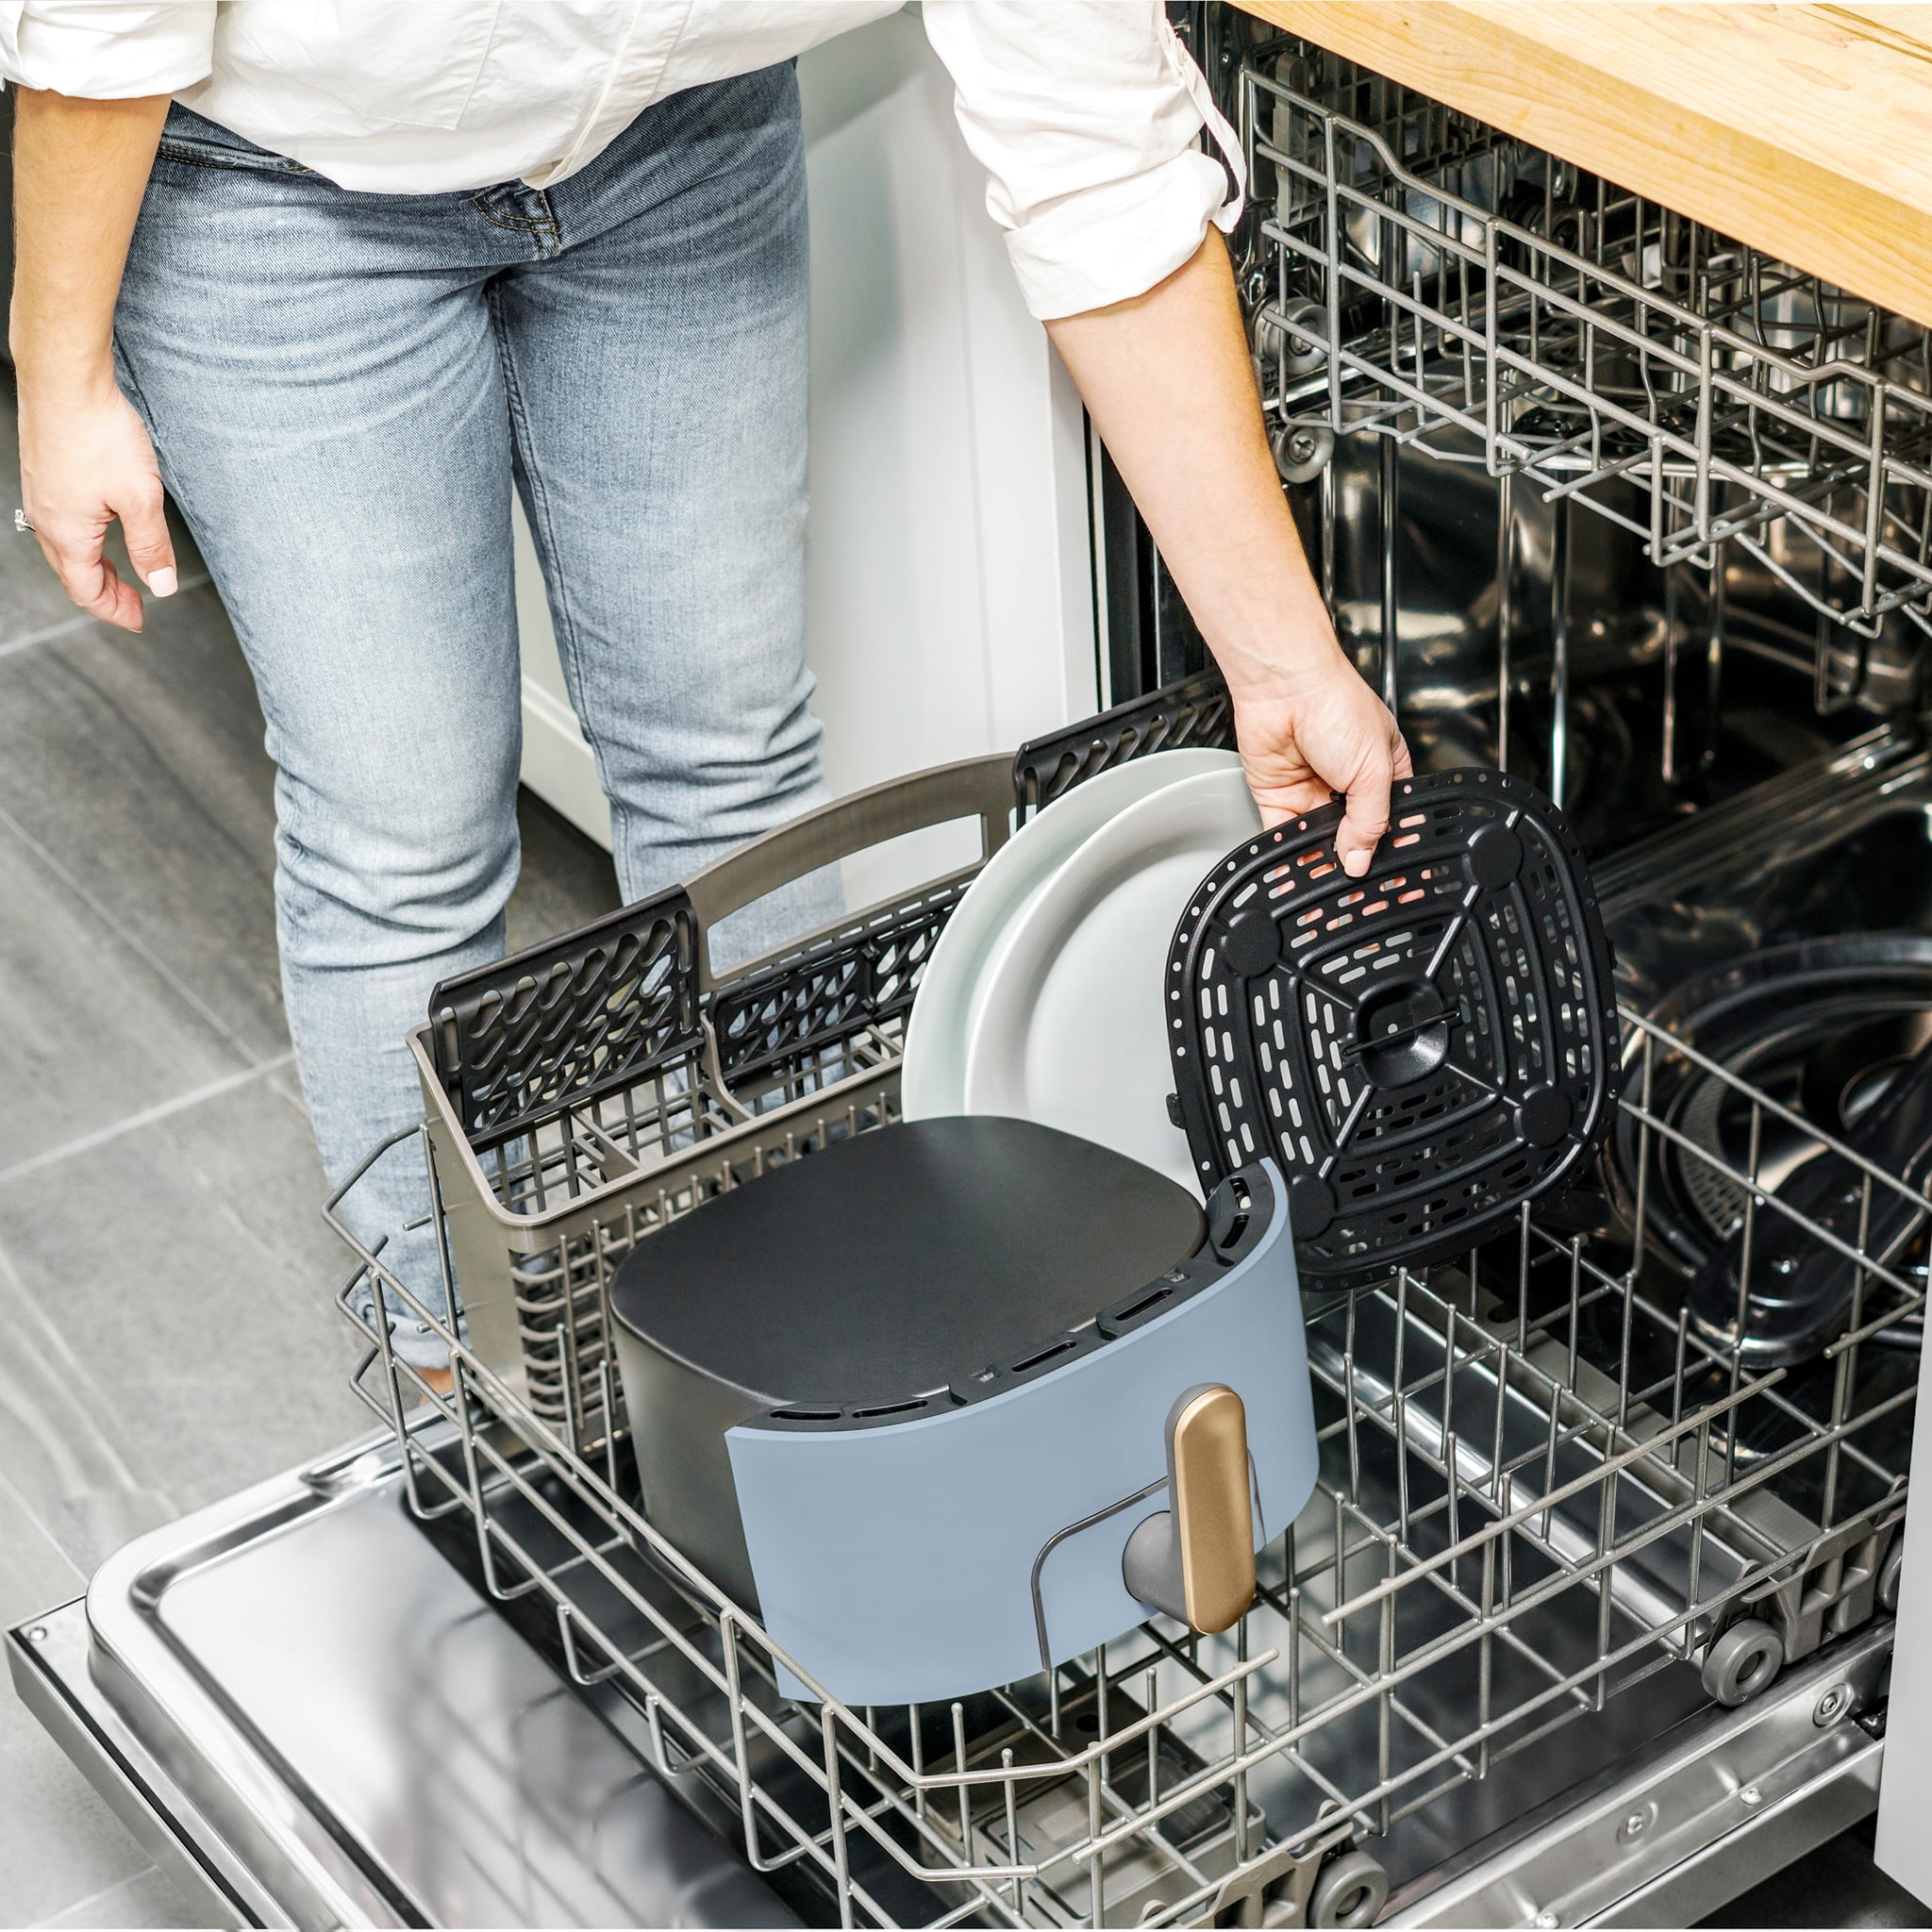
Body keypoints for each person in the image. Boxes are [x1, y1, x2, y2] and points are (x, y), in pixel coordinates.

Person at [5, 1, 1409, 1385]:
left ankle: (810, 1346)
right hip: (285, 185)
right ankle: (464, 1413)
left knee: (731, 768)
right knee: (406, 839)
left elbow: (1095, 156)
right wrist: (58, 372)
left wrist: (1283, 661)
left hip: (676, 135)